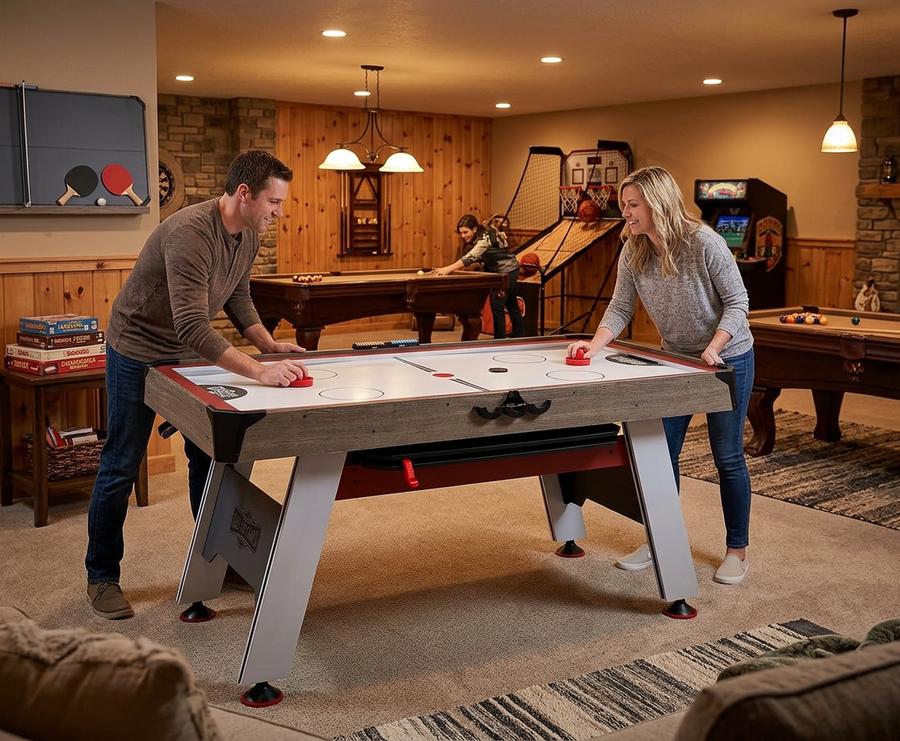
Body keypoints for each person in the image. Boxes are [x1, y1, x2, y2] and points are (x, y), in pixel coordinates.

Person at [86, 150, 310, 619]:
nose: (278, 212)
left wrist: (268, 346)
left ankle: (218, 558)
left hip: (186, 351)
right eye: (274, 201)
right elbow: (191, 325)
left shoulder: (247, 233)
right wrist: (256, 369)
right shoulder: (190, 233)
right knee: (121, 464)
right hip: (137, 348)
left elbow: (238, 295)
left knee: (207, 454)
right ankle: (102, 575)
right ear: (244, 194)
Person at [567, 166, 755, 585]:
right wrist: (593, 346)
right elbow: (620, 308)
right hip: (676, 361)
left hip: (728, 358)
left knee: (727, 456)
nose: (626, 214)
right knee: (659, 453)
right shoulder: (633, 249)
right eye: (624, 205)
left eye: (633, 205)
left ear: (658, 204)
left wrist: (715, 346)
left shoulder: (704, 242)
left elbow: (738, 303)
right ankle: (660, 541)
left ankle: (737, 551)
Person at [433, 214, 525, 339]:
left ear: (475, 229)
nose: (463, 235)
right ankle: (520, 337)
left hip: (507, 271)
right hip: (510, 270)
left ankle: (499, 340)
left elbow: (469, 258)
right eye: (461, 233)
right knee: (511, 304)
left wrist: (446, 269)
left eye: (466, 232)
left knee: (497, 304)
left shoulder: (484, 239)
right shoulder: (485, 231)